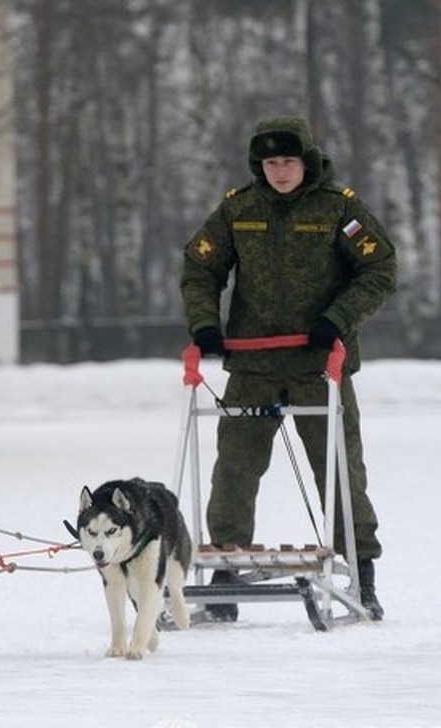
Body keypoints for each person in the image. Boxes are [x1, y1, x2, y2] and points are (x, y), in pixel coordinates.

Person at [180, 114, 396, 621]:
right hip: (252, 365)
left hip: (318, 364)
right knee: (233, 470)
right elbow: (199, 266)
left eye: (289, 161)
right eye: (271, 162)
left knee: (339, 469)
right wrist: (204, 325)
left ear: (308, 161)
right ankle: (224, 578)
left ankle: (362, 576)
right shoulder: (238, 210)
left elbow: (381, 267)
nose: (280, 171)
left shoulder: (338, 208)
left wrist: (337, 319)